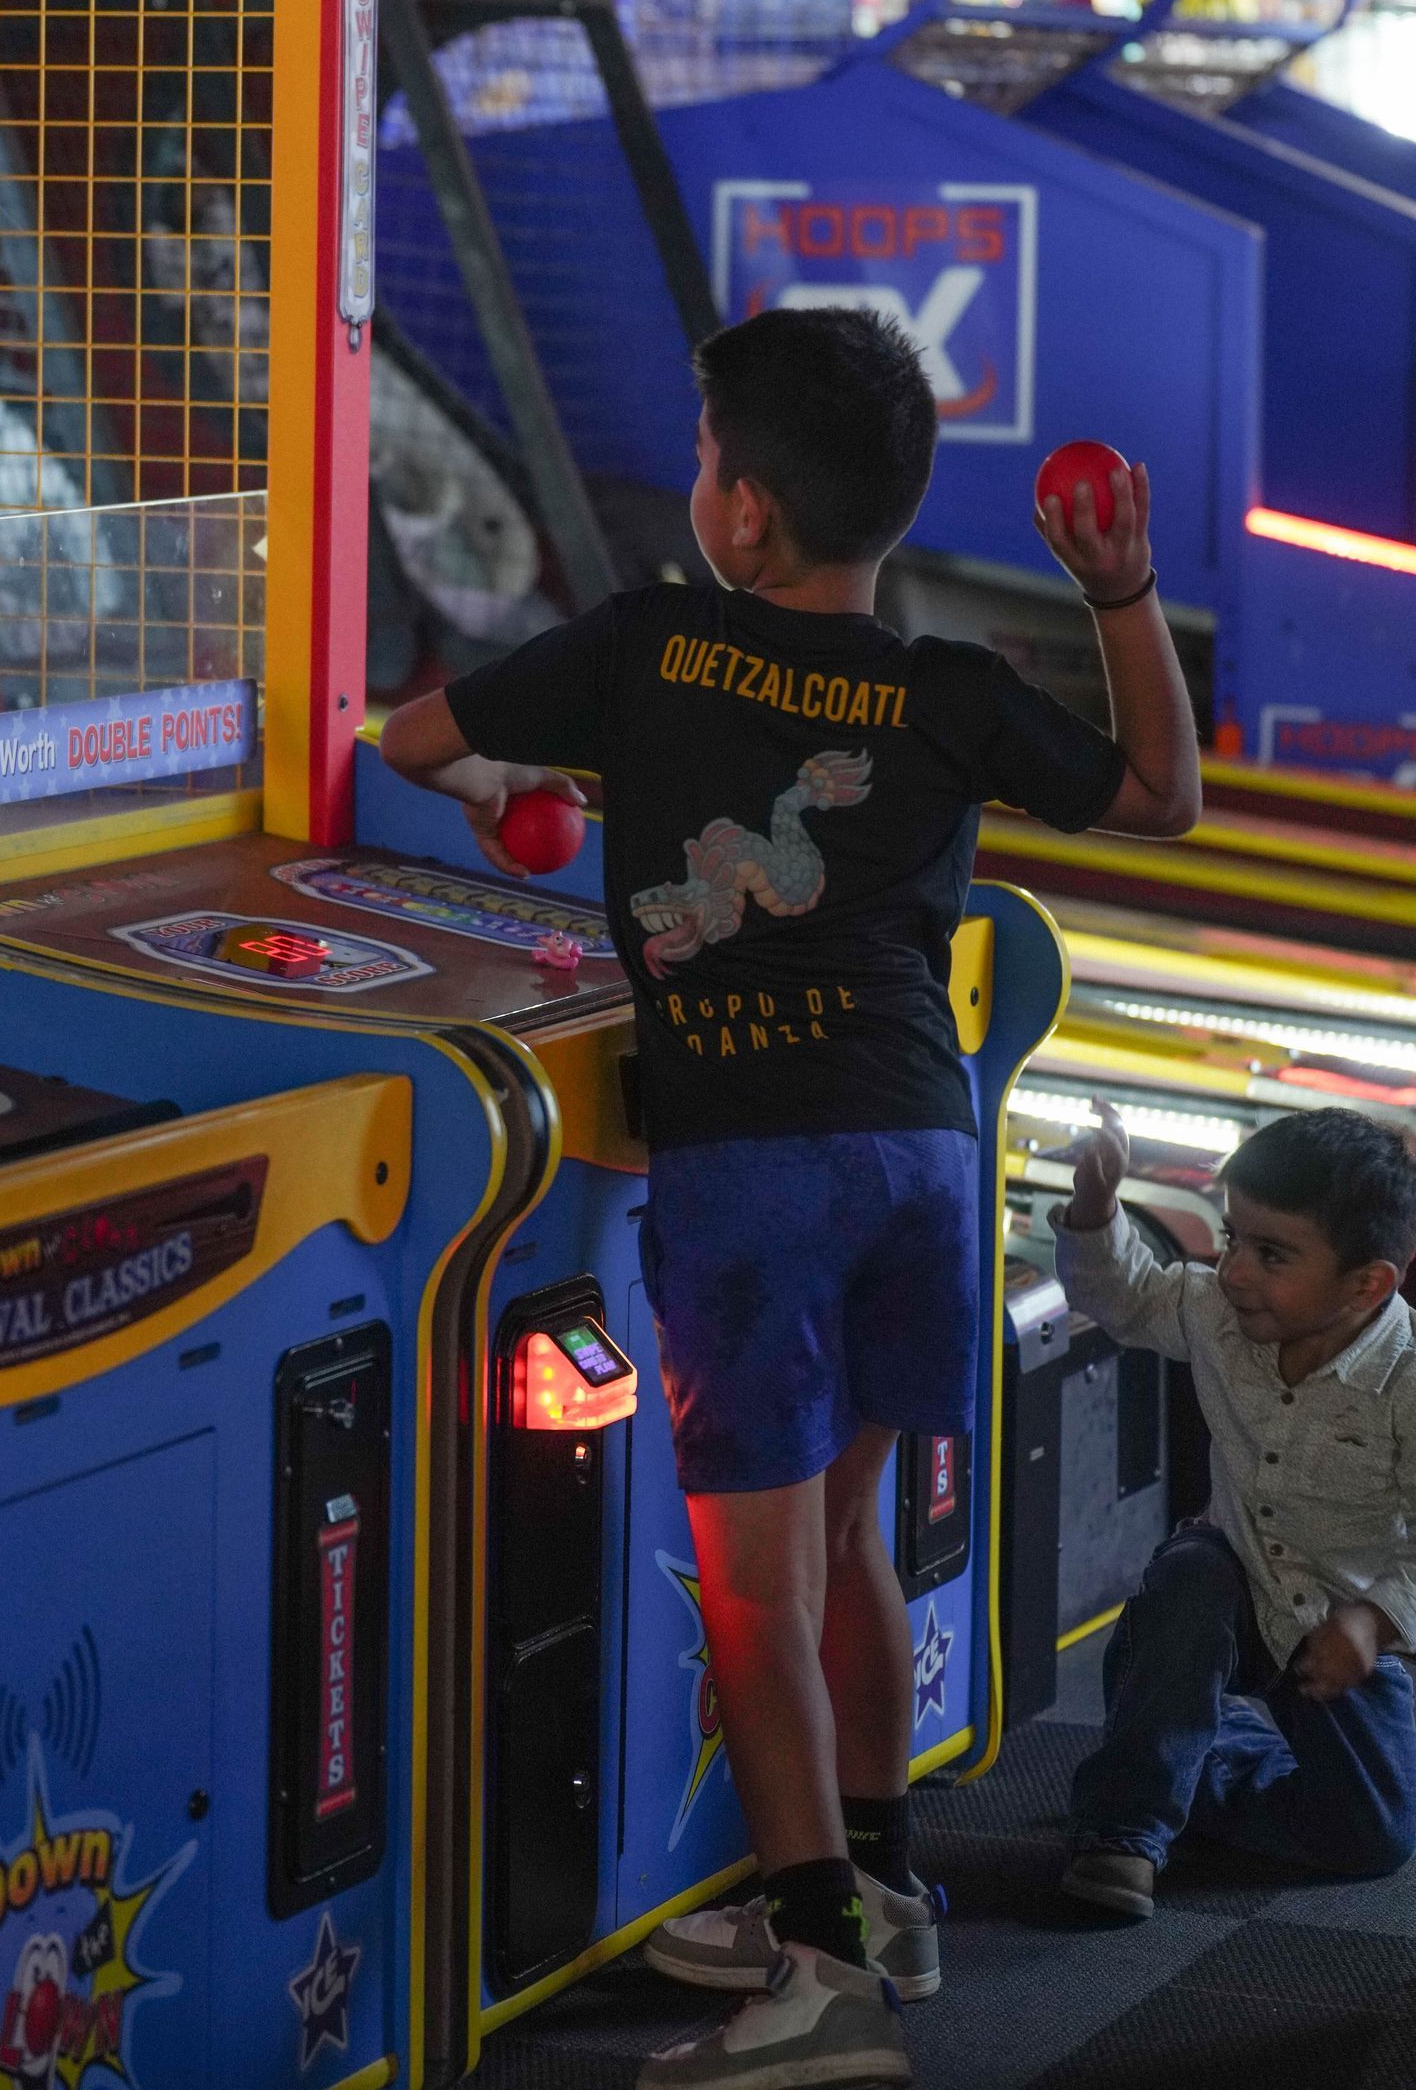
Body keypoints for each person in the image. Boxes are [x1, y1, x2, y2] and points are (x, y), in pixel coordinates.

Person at [379, 306, 1202, 2090]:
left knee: (749, 1588)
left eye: (703, 462)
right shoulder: (946, 688)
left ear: (740, 511)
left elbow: (407, 732)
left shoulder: (645, 647)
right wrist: (1119, 589)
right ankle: (875, 1888)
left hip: (752, 1166)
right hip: (919, 1147)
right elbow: (1158, 796)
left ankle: (820, 1983)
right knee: (840, 1541)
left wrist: (520, 778)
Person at [1054, 1103, 1416, 1918]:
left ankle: (1192, 1755)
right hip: (1227, 1587)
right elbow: (1124, 1293)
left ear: (1370, 1283)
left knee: (1373, 1835)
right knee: (1191, 1573)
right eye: (1231, 1239)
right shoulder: (1218, 1312)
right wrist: (1097, 1205)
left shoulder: (1409, 1381)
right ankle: (1125, 1829)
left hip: (1337, 1628)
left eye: (1272, 1253)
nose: (1235, 1271)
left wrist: (1373, 1622)